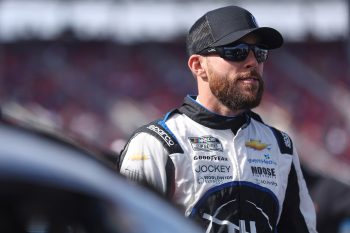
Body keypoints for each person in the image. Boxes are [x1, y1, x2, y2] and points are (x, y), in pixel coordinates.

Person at [119, 5, 318, 233]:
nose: (253, 61)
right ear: (198, 65)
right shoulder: (156, 143)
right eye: (237, 51)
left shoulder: (280, 146)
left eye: (260, 52)